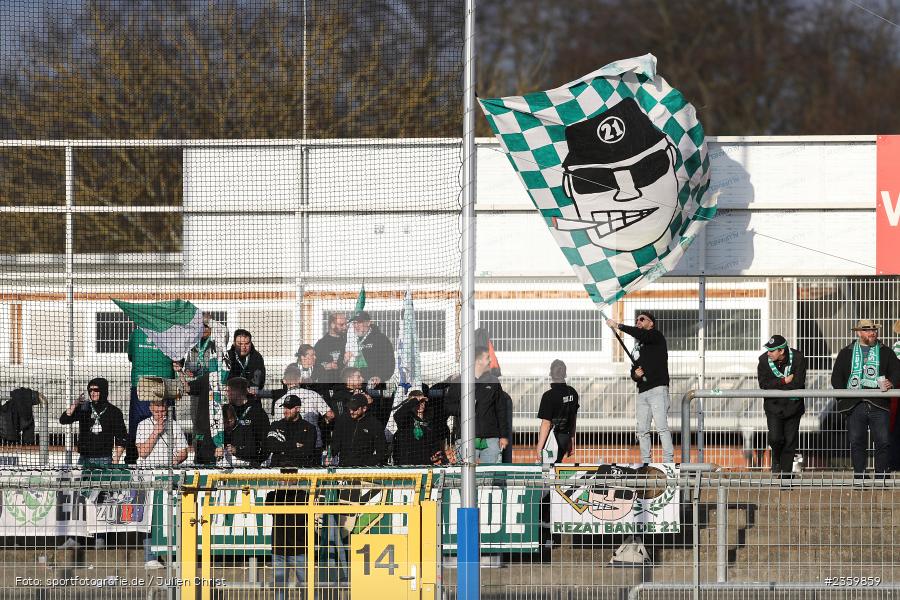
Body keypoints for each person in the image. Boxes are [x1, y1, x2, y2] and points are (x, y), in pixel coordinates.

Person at [265, 395, 318, 599]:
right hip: (279, 547)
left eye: (289, 407)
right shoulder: (276, 425)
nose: (285, 411)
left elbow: (307, 452)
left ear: (298, 408)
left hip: (300, 547)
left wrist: (286, 447)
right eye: (284, 407)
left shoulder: (309, 428)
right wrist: (294, 446)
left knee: (306, 585)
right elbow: (270, 446)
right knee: (280, 586)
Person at [831, 319, 900, 476]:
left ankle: (882, 476)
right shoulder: (846, 352)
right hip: (854, 404)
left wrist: (891, 382)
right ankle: (860, 476)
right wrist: (844, 398)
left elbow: (897, 371)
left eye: (874, 330)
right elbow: (836, 378)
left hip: (879, 403)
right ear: (859, 333)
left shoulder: (886, 351)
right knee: (856, 441)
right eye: (867, 330)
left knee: (883, 441)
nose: (872, 333)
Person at [606, 312, 674, 464]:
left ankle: (668, 462)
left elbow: (641, 334)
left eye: (642, 319)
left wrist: (618, 326)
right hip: (643, 392)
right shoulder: (637, 347)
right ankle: (646, 462)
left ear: (651, 323)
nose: (638, 321)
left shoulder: (655, 336)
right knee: (642, 430)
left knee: (662, 427)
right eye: (637, 319)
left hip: (658, 390)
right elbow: (633, 370)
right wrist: (636, 375)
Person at [135, 396, 189, 568]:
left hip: (167, 475)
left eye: (163, 410)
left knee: (170, 515)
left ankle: (173, 555)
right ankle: (150, 556)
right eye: (157, 411)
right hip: (149, 476)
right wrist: (156, 432)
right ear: (151, 409)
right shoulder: (143, 425)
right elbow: (142, 452)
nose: (160, 414)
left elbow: (184, 451)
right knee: (149, 518)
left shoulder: (174, 425)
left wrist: (175, 460)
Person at [756, 335, 807, 475]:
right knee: (775, 438)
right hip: (773, 406)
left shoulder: (798, 358)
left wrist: (776, 386)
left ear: (781, 351)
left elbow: (798, 383)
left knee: (790, 442)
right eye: (768, 350)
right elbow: (764, 385)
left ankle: (786, 476)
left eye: (772, 351)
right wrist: (784, 381)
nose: (768, 353)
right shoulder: (763, 360)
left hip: (793, 406)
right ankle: (776, 458)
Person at [126, 326, 175, 464]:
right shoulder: (172, 334)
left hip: (142, 382)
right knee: (166, 420)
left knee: (139, 423)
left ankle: (132, 459)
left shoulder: (137, 334)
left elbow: (131, 357)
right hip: (165, 383)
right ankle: (169, 459)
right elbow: (178, 359)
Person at [176, 318, 218, 464]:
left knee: (214, 420)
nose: (203, 330)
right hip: (197, 387)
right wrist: (187, 371)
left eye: (206, 327)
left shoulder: (217, 344)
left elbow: (224, 332)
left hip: (213, 387)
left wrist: (206, 319)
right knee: (197, 422)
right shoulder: (192, 346)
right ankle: (197, 453)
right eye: (201, 327)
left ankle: (215, 450)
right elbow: (188, 366)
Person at [60, 378, 127, 466]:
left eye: (96, 390)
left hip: (104, 459)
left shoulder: (114, 411)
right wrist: (75, 404)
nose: (92, 393)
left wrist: (115, 461)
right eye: (90, 390)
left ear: (103, 390)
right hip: (84, 458)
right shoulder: (84, 408)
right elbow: (64, 420)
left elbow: (121, 437)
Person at [534, 359, 579, 464]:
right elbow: (573, 419)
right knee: (557, 464)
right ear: (565, 374)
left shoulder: (548, 396)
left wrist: (539, 447)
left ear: (551, 374)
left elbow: (546, 423)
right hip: (565, 438)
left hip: (552, 439)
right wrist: (571, 440)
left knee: (548, 468)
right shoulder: (572, 392)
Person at [472, 346, 510, 464]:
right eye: (488, 358)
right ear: (479, 361)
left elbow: (501, 410)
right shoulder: (461, 380)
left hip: (491, 438)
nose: (490, 361)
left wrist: (503, 436)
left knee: (489, 473)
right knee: (466, 472)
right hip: (467, 439)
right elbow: (449, 406)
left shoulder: (494, 381)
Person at [222, 377, 270, 467]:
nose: (226, 394)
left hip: (251, 464)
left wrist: (258, 461)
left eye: (229, 391)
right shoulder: (227, 410)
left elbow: (265, 442)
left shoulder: (257, 412)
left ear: (238, 392)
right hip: (229, 462)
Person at [392, 389, 449, 466]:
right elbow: (397, 415)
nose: (420, 404)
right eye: (417, 403)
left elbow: (433, 443)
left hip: (425, 465)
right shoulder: (406, 420)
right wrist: (415, 400)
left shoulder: (430, 421)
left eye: (422, 401)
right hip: (407, 465)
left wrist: (435, 455)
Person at [330, 393, 388, 467]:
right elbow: (335, 443)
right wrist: (331, 456)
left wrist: (368, 463)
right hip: (344, 466)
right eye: (350, 408)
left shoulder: (374, 424)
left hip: (364, 469)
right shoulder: (343, 420)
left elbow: (382, 450)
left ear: (364, 408)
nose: (351, 411)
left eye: (354, 409)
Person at [348, 311, 395, 387]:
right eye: (354, 323)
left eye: (359, 322)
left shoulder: (381, 339)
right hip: (353, 383)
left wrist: (380, 377)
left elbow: (390, 362)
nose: (356, 326)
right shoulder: (350, 340)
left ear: (368, 323)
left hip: (374, 384)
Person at [226, 329, 266, 393]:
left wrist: (251, 389)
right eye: (240, 344)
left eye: (247, 344)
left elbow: (258, 380)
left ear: (250, 343)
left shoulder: (257, 358)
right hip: (231, 395)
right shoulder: (227, 357)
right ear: (234, 343)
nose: (243, 347)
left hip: (250, 396)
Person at [313, 312, 348, 385]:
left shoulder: (348, 340)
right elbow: (314, 367)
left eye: (346, 324)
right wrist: (326, 366)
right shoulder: (321, 344)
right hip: (327, 385)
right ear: (332, 325)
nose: (345, 327)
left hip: (345, 384)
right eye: (341, 324)